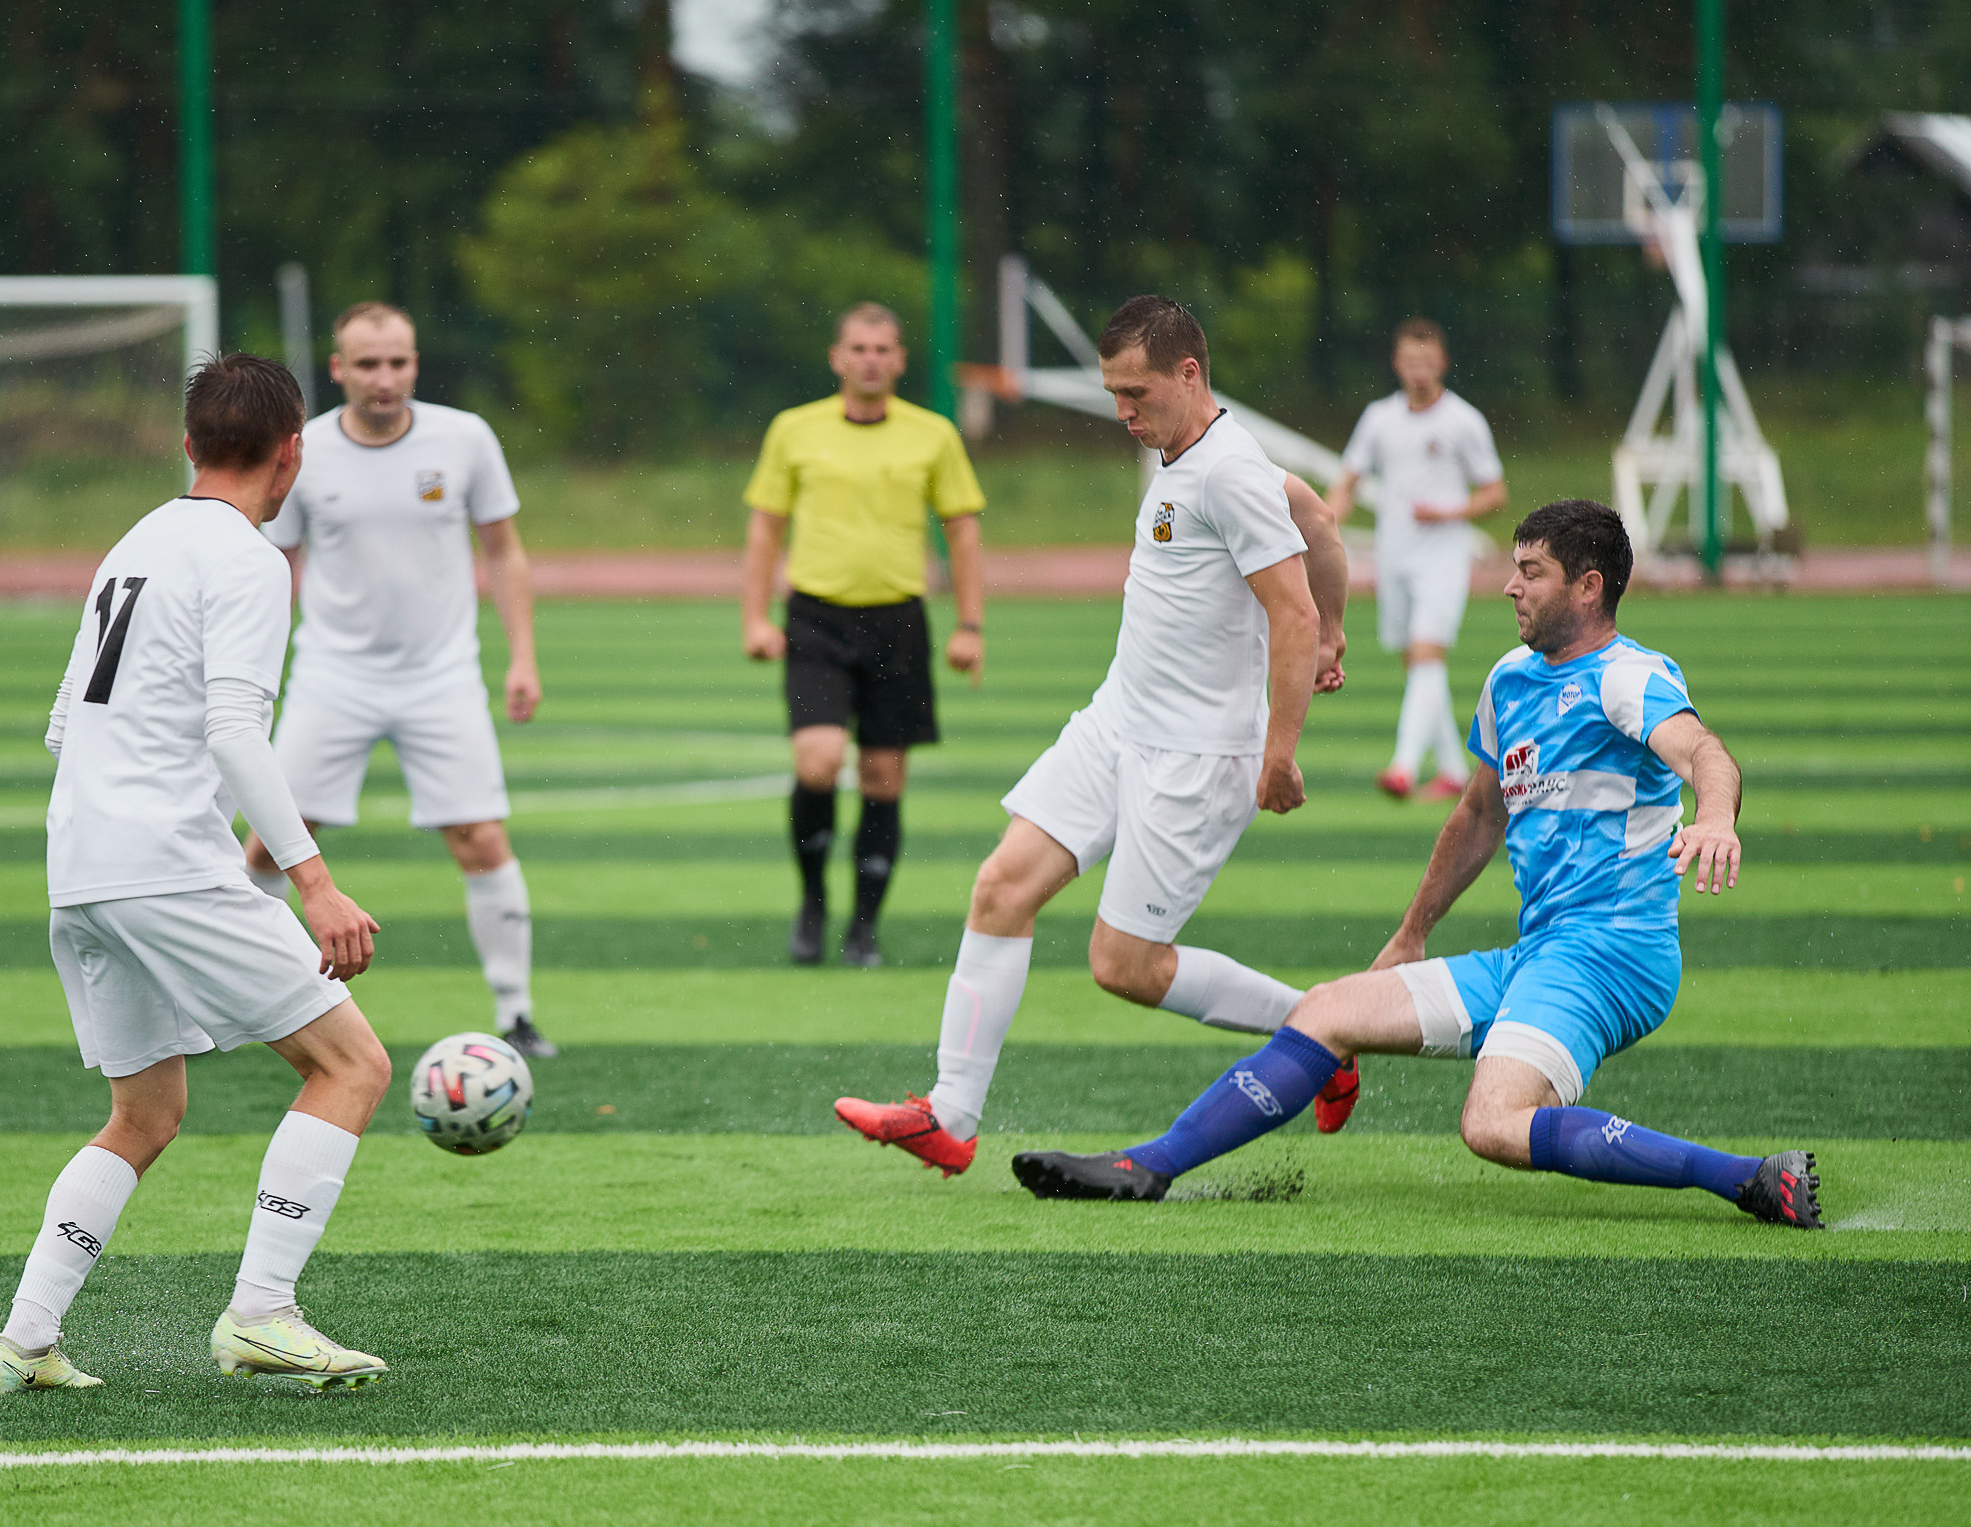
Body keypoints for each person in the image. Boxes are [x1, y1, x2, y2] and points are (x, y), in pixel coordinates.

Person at [1010, 499, 1822, 1230]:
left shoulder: (1628, 677)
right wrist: (1411, 932)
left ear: (1588, 587)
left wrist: (1715, 814)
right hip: (1540, 952)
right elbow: (1479, 812)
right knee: (1325, 1010)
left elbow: (1703, 751)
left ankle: (1752, 1178)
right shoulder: (1510, 680)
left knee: (1492, 1125)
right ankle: (1146, 1167)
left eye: (1530, 571)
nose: (1509, 586)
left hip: (1612, 955)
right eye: (1512, 567)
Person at [834, 296, 1348, 1176]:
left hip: (1197, 753)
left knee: (1125, 965)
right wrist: (1339, 624)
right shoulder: (1184, 451)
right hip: (1116, 721)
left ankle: (1325, 1029)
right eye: (1114, 392)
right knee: (1000, 887)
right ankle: (949, 1117)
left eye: (1136, 392)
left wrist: (1281, 744)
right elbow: (1320, 520)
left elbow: (1291, 606)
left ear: (1191, 374)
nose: (1123, 411)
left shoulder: (1226, 472)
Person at [0, 353, 396, 1394]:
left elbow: (62, 725)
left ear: (187, 443)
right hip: (162, 863)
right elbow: (232, 733)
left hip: (77, 860)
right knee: (351, 1067)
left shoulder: (136, 540)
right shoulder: (251, 561)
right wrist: (313, 882)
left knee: (145, 1115)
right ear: (292, 450)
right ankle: (263, 1312)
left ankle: (23, 1340)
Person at [240, 303, 555, 1059]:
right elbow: (272, 565)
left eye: (399, 362)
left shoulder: (465, 437)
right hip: (332, 675)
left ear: (416, 363)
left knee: (480, 838)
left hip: (440, 676)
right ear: (339, 368)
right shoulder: (302, 450)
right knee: (269, 848)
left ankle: (516, 1011)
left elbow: (504, 550)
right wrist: (255, 670)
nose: (386, 378)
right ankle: (244, 1003)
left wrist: (522, 656)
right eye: (369, 364)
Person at [742, 303, 987, 969]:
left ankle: (864, 928)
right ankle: (813, 901)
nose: (871, 358)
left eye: (883, 348)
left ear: (900, 360)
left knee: (883, 776)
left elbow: (962, 529)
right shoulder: (794, 429)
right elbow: (766, 526)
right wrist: (755, 618)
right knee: (817, 761)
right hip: (815, 617)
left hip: (898, 621)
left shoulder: (932, 435)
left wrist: (969, 624)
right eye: (858, 347)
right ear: (837, 358)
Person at [1327, 317, 1507, 801]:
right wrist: (1322, 525)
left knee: (1427, 654)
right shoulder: (1379, 418)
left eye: (1427, 362)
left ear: (1442, 364)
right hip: (1395, 555)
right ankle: (1451, 770)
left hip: (1444, 557)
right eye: (1410, 361)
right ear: (1396, 364)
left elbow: (1495, 492)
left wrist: (1450, 512)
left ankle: (1403, 766)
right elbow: (1348, 482)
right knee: (1418, 665)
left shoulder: (1462, 421)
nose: (1418, 370)